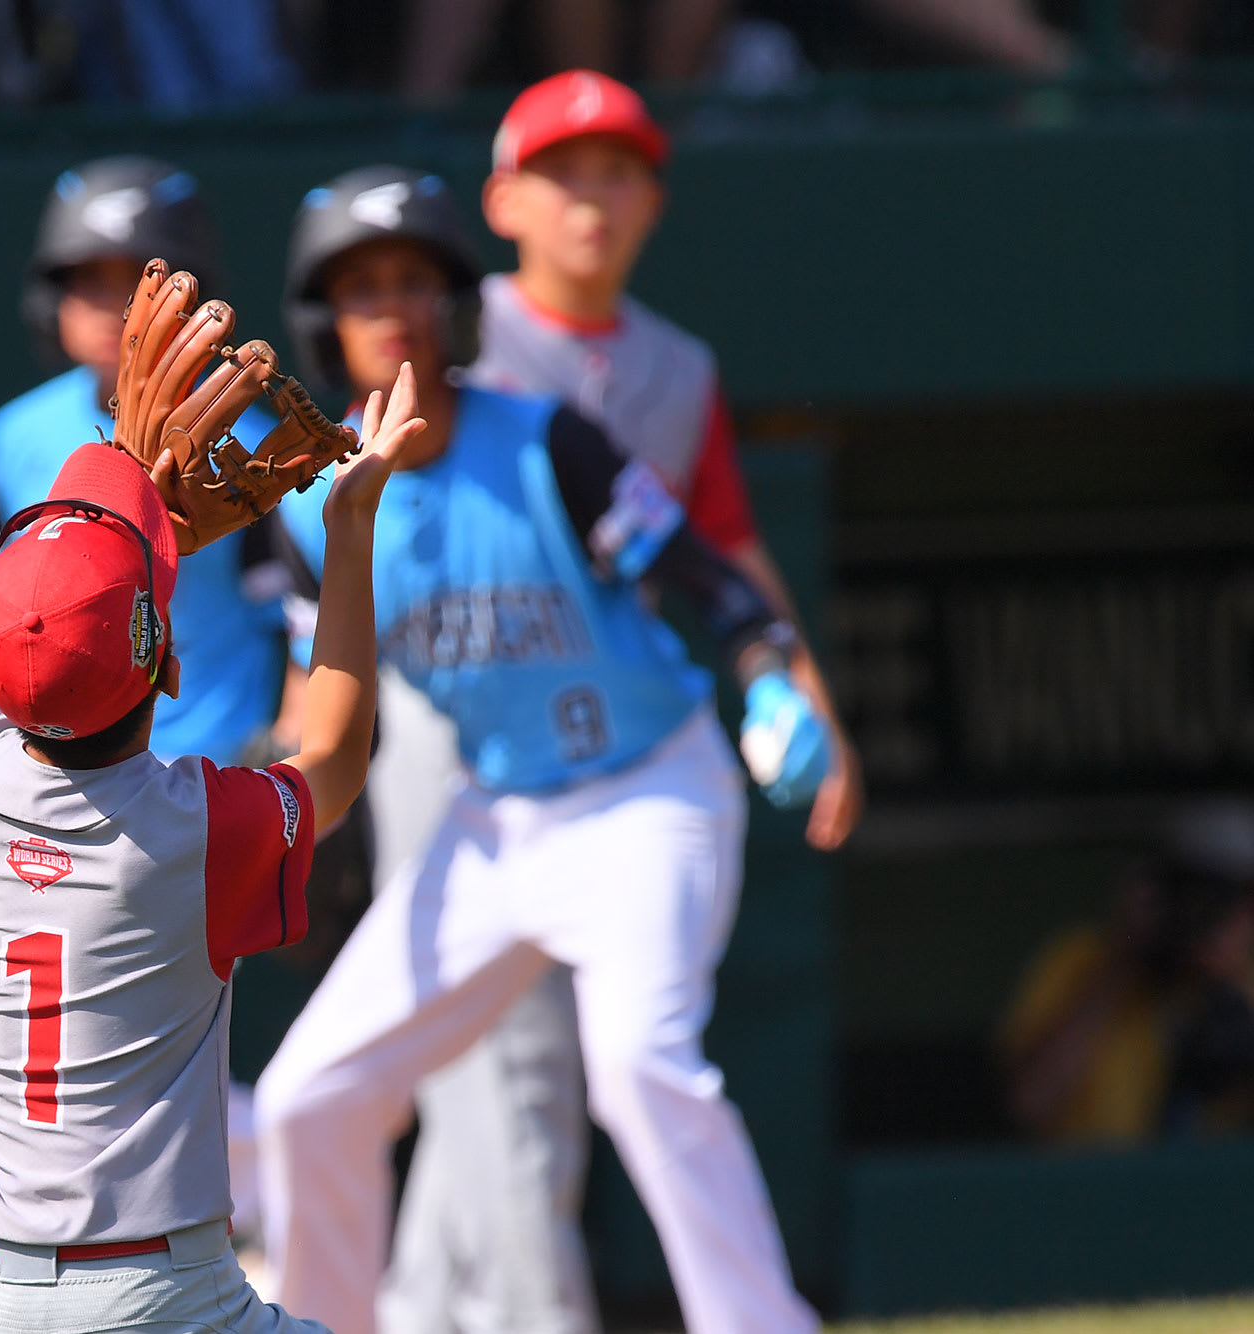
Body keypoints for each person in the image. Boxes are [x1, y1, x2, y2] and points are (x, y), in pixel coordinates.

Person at [253, 165, 830, 1334]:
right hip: (497, 819)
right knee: (307, 1097)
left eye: (413, 280)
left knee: (639, 1065)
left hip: (644, 792)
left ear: (456, 304)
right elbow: (319, 706)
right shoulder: (312, 498)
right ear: (321, 323)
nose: (391, 309)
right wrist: (255, 819)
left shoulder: (545, 437)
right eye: (360, 287)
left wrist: (771, 676)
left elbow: (700, 573)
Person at [375, 69, 867, 1334]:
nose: (591, 199)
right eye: (562, 173)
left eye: (616, 173)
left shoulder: (674, 365)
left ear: (651, 199)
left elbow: (723, 541)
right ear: (503, 200)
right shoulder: (444, 314)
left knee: (532, 1075)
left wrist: (797, 687)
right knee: (486, 1070)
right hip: (456, 718)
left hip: (610, 742)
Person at [0, 369, 423, 1333]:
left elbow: (43, 651)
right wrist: (350, 527)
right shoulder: (195, 828)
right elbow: (331, 756)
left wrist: (131, 542)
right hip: (156, 1299)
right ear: (166, 666)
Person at [0, 155, 287, 869]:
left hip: (209, 793)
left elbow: (298, 620)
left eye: (139, 282)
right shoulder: (15, 437)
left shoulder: (258, 451)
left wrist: (290, 759)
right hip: (53, 788)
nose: (117, 309)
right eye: (90, 282)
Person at [1000, 799, 1254, 1144]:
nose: (1228, 918)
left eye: (1250, 899)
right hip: (1091, 1216)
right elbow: (1028, 1106)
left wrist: (1252, 1036)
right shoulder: (1083, 963)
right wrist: (1122, 961)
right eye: (1209, 895)